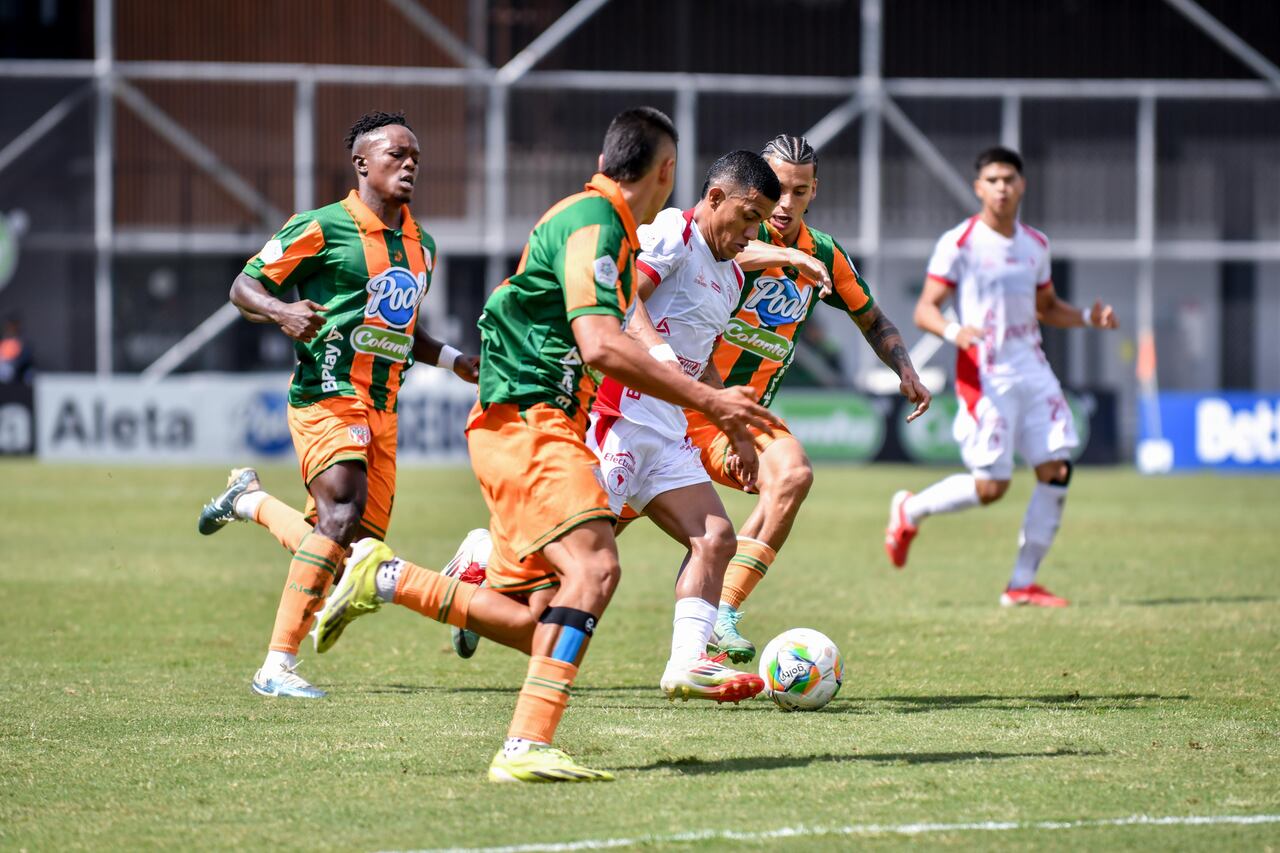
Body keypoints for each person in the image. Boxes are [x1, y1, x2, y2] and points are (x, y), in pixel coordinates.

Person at [311, 107, 780, 783]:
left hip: (537, 421)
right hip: (531, 418)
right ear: (667, 172)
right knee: (594, 570)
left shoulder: (608, 228)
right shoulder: (595, 222)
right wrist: (710, 400)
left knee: (540, 615)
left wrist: (715, 406)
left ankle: (388, 576)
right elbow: (599, 342)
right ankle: (526, 743)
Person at [195, 111, 479, 699]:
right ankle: (276, 666)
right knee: (341, 517)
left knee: (347, 549)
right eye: (396, 155)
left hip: (384, 407)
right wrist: (282, 312)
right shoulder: (319, 227)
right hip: (327, 394)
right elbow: (243, 287)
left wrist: (456, 361)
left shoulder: (422, 245)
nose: (409, 165)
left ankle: (248, 501)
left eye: (415, 158)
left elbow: (401, 329)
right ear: (362, 164)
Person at [688, 134, 931, 663]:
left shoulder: (822, 253)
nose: (784, 204)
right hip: (670, 403)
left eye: (798, 192)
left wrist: (906, 368)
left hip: (741, 416)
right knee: (584, 536)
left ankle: (721, 612)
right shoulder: (729, 233)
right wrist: (784, 257)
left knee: (793, 474)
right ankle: (487, 569)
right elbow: (728, 248)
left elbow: (871, 316)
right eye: (776, 190)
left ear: (813, 191)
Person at [884, 146, 1118, 607]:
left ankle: (1022, 583)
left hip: (1033, 368)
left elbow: (1047, 309)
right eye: (992, 179)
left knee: (1056, 468)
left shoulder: (1036, 245)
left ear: (1022, 185)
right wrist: (956, 331)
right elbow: (924, 309)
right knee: (992, 487)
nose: (1002, 187)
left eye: (1009, 179)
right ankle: (910, 509)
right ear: (978, 188)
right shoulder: (961, 242)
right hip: (985, 375)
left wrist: (1089, 317)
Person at [0, 317, 33, 385]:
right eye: (9, 327)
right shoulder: (3, 342)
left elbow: (24, 359)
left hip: (16, 373)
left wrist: (13, 365)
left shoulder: (23, 343)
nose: (11, 329)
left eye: (13, 327)